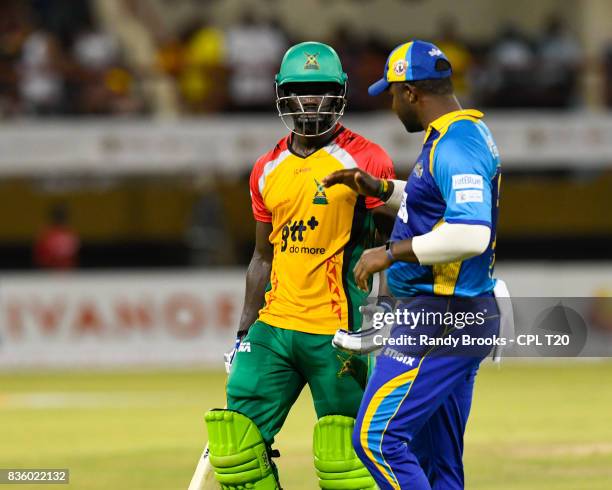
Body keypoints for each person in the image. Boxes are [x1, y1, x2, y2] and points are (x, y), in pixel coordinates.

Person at [204, 41, 396, 489]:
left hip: (339, 331)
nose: (311, 100)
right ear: (281, 93)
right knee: (234, 448)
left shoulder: (367, 159)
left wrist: (383, 312)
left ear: (341, 93)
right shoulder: (266, 168)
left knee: (344, 462)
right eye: (301, 89)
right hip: (274, 327)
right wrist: (242, 333)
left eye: (322, 89)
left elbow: (396, 243)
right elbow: (261, 256)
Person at [323, 40, 502, 489]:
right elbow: (436, 206)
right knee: (436, 462)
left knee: (377, 439)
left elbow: (469, 233)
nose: (391, 103)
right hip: (456, 314)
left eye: (392, 93)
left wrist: (390, 252)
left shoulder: (456, 145)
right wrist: (383, 190)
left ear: (411, 93)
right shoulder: (458, 135)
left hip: (439, 315)